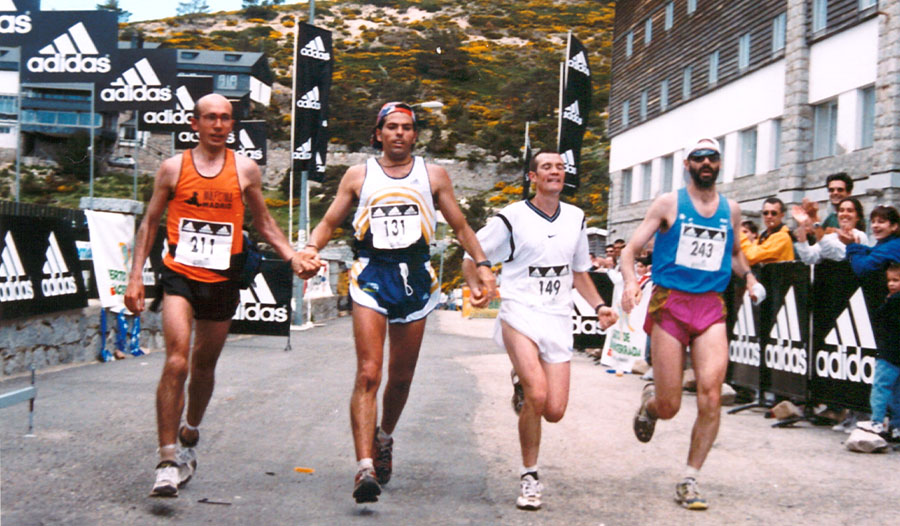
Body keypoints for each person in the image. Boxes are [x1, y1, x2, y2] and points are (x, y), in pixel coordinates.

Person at [295, 102, 496, 504]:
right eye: (392, 127)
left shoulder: (433, 175)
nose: (400, 133)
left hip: (416, 276)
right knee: (369, 373)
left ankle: (383, 436)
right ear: (379, 133)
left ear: (414, 135)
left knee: (400, 377)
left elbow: (459, 225)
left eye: (407, 127)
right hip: (371, 273)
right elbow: (330, 220)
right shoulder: (358, 175)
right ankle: (364, 466)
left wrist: (485, 266)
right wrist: (309, 248)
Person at [124, 94, 313, 498]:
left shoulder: (245, 169)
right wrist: (135, 275)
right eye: (210, 118)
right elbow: (150, 222)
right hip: (180, 276)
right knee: (176, 361)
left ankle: (190, 428)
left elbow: (263, 222)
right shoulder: (173, 168)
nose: (218, 125)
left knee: (204, 365)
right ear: (195, 124)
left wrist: (292, 257)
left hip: (223, 279)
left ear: (232, 125)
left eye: (225, 118)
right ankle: (166, 459)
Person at [462, 150, 617, 511]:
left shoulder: (576, 218)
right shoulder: (512, 218)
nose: (555, 172)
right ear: (532, 176)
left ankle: (523, 379)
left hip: (557, 318)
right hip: (521, 312)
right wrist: (476, 286)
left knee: (554, 409)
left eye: (560, 167)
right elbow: (472, 256)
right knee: (537, 393)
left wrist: (599, 307)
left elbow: (579, 273)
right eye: (547, 167)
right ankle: (530, 476)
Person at [619, 137, 761, 511]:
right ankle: (650, 406)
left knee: (711, 394)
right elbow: (630, 250)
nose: (706, 164)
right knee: (670, 405)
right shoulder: (669, 203)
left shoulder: (731, 209)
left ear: (719, 164)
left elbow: (733, 253)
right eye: (699, 158)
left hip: (710, 306)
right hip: (671, 305)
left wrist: (749, 277)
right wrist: (632, 283)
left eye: (712, 158)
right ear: (687, 164)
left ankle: (689, 478)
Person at [855, 262, 900, 442]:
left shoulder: (893, 301)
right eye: (889, 280)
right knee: (897, 393)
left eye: (896, 280)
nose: (891, 284)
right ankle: (897, 426)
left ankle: (876, 422)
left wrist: (887, 300)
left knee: (881, 388)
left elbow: (879, 317)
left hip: (888, 353)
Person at [792, 197, 868, 264]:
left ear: (857, 217)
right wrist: (802, 224)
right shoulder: (831, 236)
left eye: (850, 211)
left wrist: (815, 221)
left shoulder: (860, 236)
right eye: (841, 210)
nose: (844, 214)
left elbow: (836, 253)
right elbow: (809, 258)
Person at [846, 205, 900, 277]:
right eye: (873, 222)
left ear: (894, 226)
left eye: (881, 222)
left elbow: (863, 269)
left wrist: (853, 246)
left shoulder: (893, 246)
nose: (875, 225)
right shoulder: (885, 243)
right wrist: (856, 246)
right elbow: (872, 252)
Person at [740, 197, 795, 265]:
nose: (769, 216)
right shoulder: (764, 236)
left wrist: (740, 234)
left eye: (773, 213)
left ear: (782, 215)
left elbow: (752, 256)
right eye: (766, 213)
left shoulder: (782, 237)